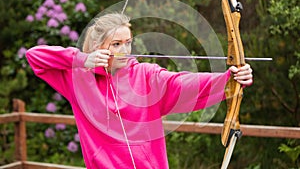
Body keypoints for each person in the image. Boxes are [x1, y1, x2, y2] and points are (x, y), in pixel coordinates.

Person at [26, 13, 253, 169]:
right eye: (116, 44)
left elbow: (182, 83)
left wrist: (229, 80)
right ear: (98, 48)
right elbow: (34, 56)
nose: (125, 49)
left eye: (128, 42)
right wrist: (84, 60)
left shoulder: (146, 75)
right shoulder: (79, 80)